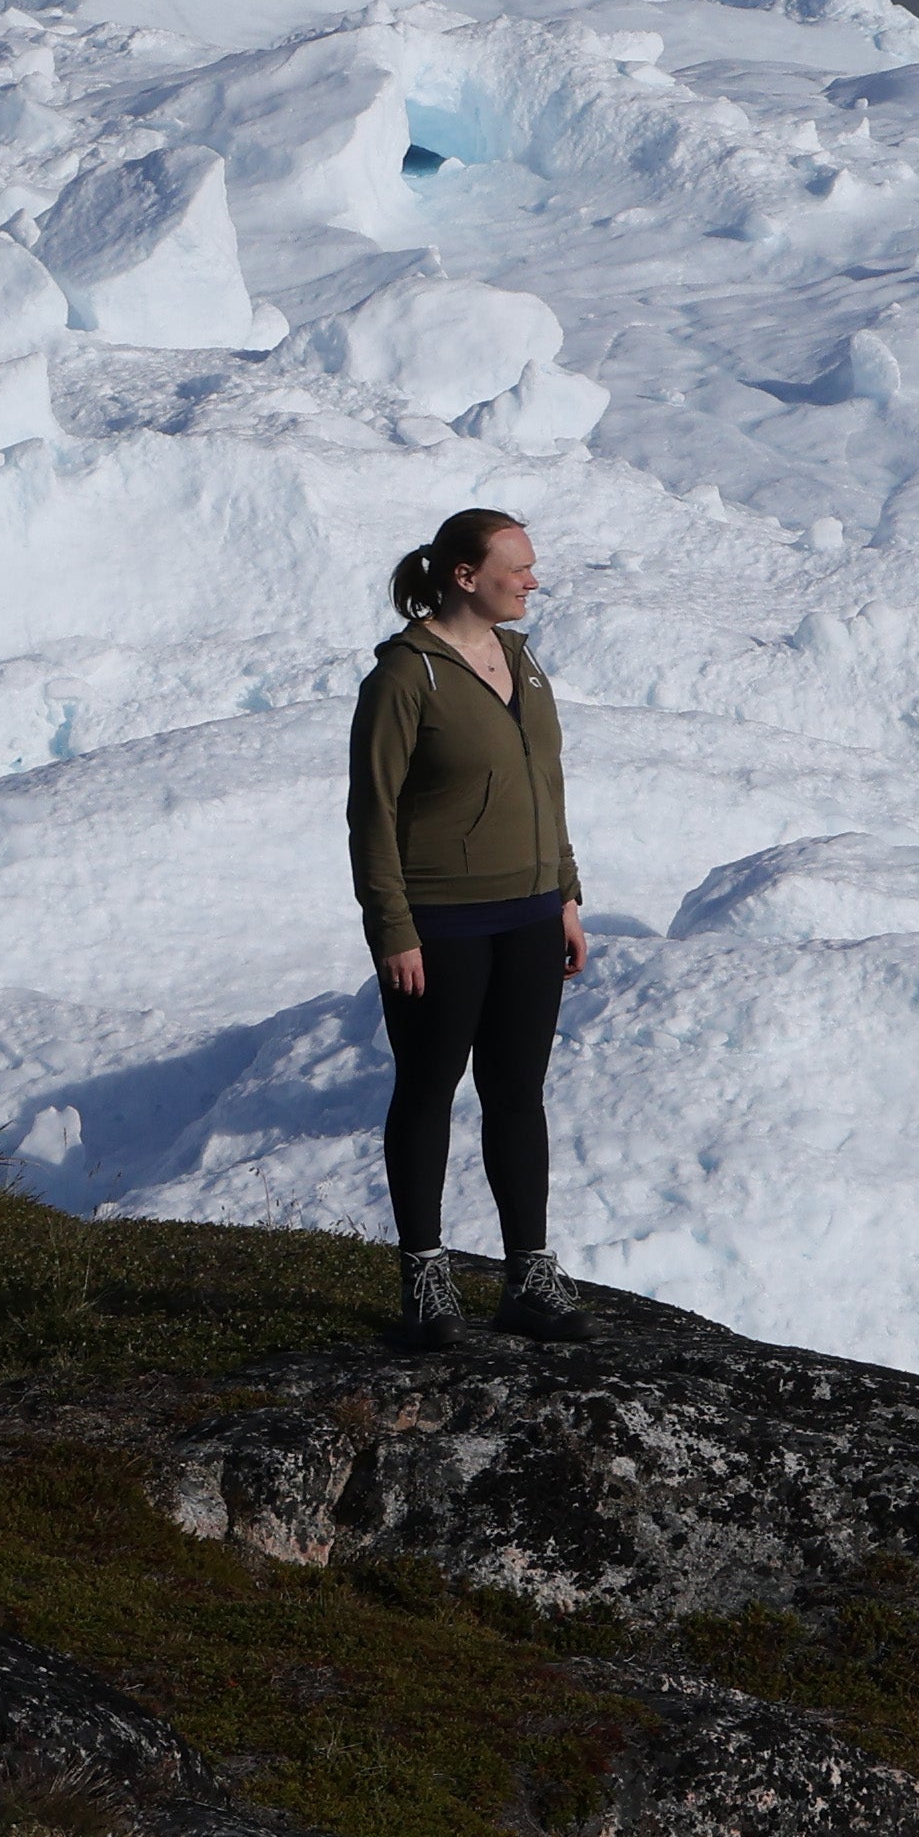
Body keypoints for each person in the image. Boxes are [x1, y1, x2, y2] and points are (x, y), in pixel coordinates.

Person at [344, 506, 590, 1350]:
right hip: (441, 922)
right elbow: (371, 814)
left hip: (527, 914)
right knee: (426, 1090)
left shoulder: (521, 663)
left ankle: (530, 1275)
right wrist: (393, 929)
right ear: (463, 576)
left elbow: (544, 784)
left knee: (517, 1096)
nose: (531, 580)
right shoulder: (406, 678)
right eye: (516, 567)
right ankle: (425, 1279)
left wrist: (563, 890)